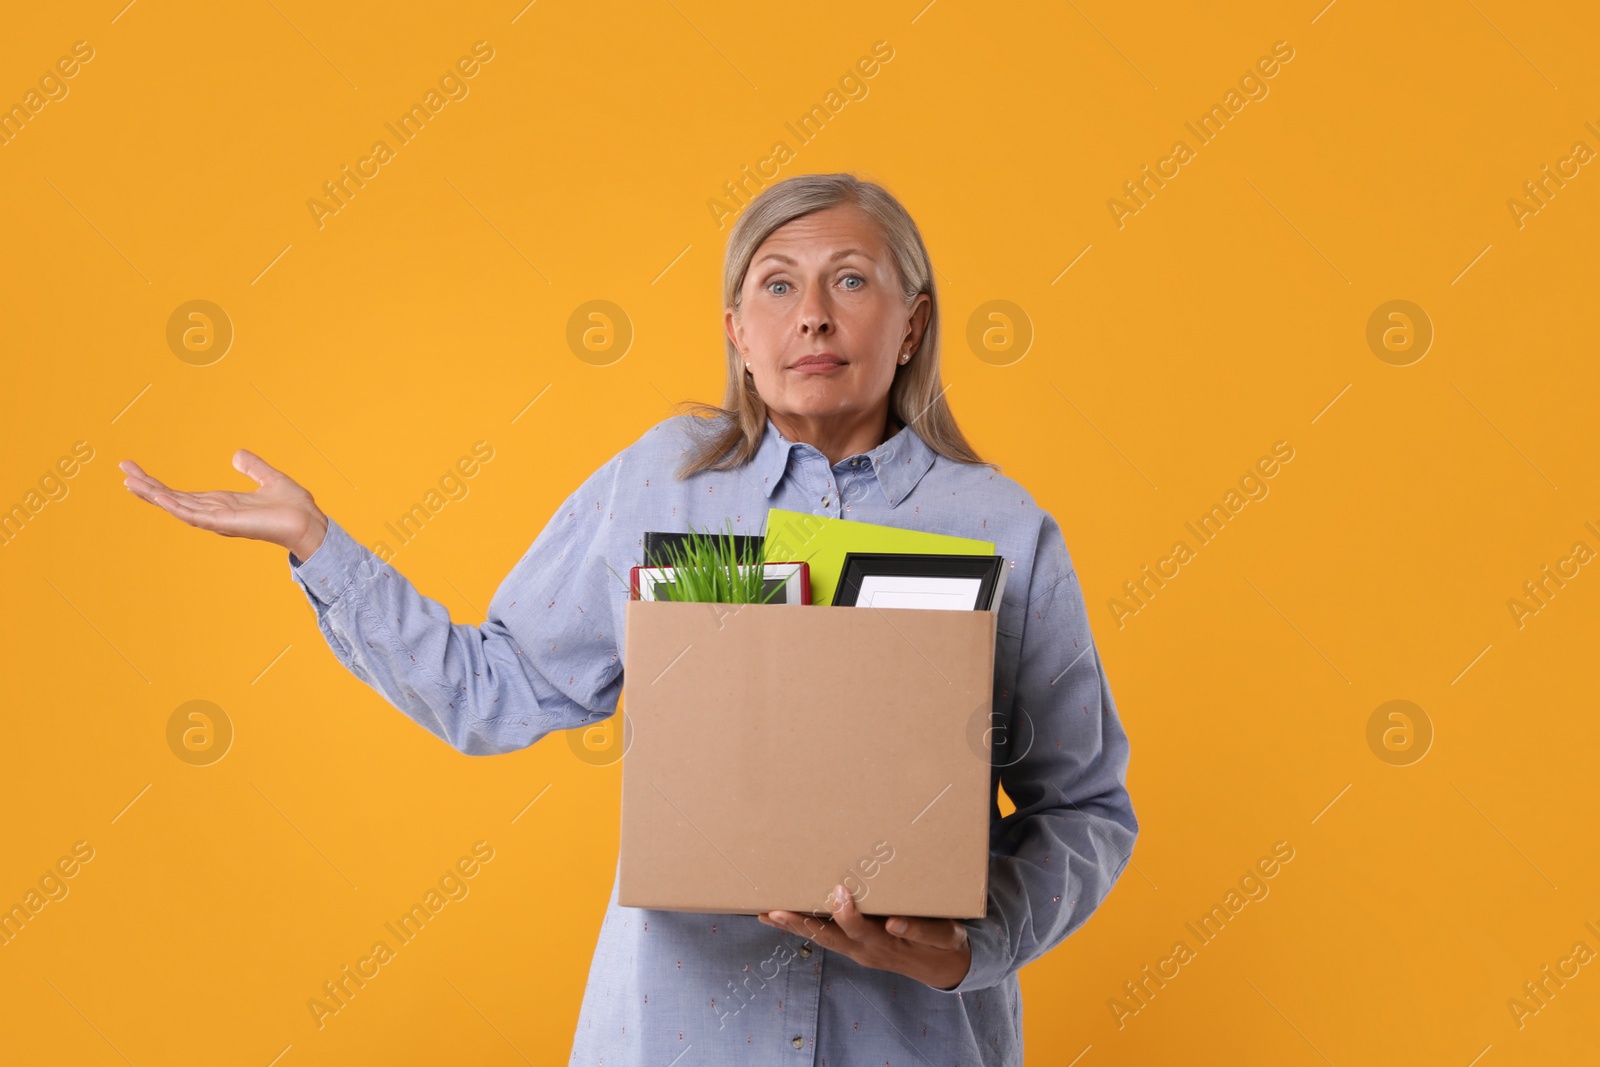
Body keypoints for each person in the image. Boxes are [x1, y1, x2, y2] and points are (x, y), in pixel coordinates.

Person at [120, 172, 1138, 1065]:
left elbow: (1085, 807)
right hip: (679, 1034)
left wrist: (976, 940)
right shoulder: (663, 484)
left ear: (912, 322)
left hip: (912, 1038)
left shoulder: (1003, 526)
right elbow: (493, 689)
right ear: (737, 331)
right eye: (776, 284)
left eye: (851, 279)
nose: (813, 316)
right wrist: (319, 546)